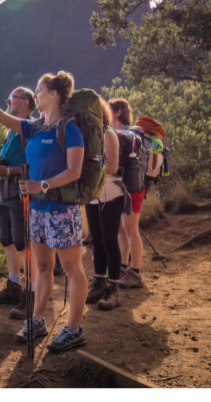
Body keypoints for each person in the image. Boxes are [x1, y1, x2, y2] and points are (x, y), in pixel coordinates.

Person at [0, 71, 90, 353]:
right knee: (44, 268)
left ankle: (74, 329)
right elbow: (0, 116)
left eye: (39, 90)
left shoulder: (70, 128)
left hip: (61, 209)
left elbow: (74, 171)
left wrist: (42, 184)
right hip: (36, 209)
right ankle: (37, 320)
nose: (35, 95)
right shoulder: (34, 128)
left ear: (54, 94)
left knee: (73, 270)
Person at [0, 87, 39, 320]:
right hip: (5, 192)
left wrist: (8, 170)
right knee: (7, 241)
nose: (7, 101)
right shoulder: (10, 130)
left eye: (12, 98)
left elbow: (34, 165)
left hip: (21, 193)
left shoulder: (28, 129)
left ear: (25, 103)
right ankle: (13, 285)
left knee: (23, 243)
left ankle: (32, 294)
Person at [84, 98, 126, 310]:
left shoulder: (108, 133)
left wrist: (85, 169)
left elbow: (113, 167)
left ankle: (114, 288)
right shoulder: (88, 136)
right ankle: (99, 282)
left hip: (110, 193)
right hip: (93, 194)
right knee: (97, 240)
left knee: (110, 240)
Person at [107, 99, 145, 289]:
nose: (107, 112)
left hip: (132, 189)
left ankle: (135, 273)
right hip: (125, 188)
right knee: (122, 230)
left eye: (110, 109)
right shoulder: (120, 134)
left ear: (119, 112)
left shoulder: (125, 134)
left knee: (131, 229)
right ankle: (124, 266)